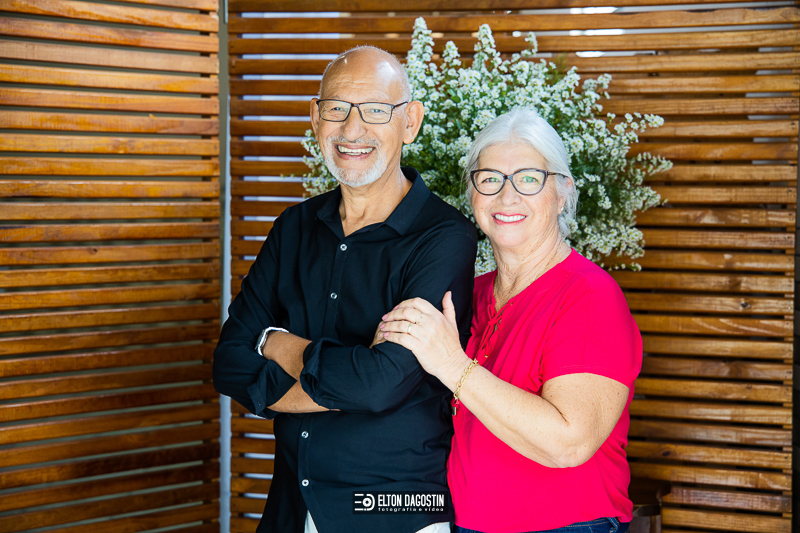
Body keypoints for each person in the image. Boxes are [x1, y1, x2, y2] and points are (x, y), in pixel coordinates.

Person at [212, 46, 477, 533]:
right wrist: (347, 381)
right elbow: (228, 362)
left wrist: (274, 343)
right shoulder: (293, 228)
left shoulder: (445, 238)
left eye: (375, 110)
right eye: (337, 109)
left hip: (396, 513)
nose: (352, 130)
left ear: (410, 122)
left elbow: (380, 385)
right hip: (292, 507)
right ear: (316, 118)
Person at [378, 108, 641, 533]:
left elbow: (569, 443)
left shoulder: (590, 295)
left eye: (529, 178)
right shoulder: (470, 293)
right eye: (490, 179)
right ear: (473, 194)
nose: (507, 196)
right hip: (466, 523)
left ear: (563, 192)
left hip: (566, 527)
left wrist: (452, 364)